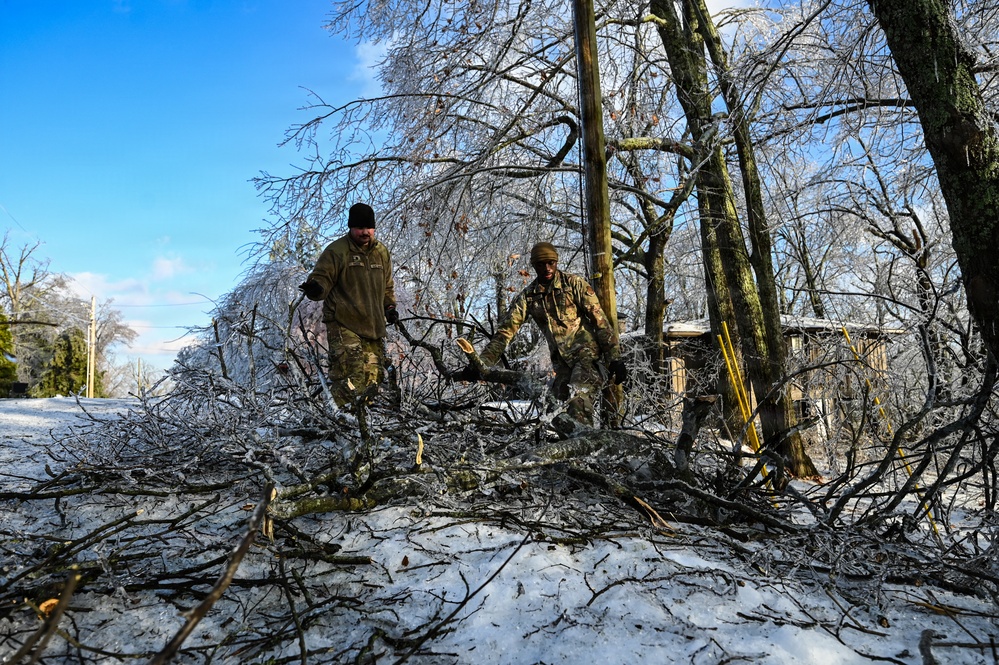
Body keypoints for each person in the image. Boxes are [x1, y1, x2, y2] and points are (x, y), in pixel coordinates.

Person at [454, 241, 626, 427]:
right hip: (563, 366)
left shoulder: (574, 284)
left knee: (577, 402)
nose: (547, 268)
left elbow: (600, 321)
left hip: (588, 359)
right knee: (556, 412)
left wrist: (614, 358)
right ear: (534, 266)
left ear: (556, 262)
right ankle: (571, 451)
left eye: (551, 262)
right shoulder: (528, 297)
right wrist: (480, 364)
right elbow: (505, 332)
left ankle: (585, 453)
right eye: (541, 264)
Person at [299, 203, 398, 406]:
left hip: (373, 326)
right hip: (344, 322)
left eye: (368, 228)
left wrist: (389, 307)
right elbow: (321, 278)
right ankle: (342, 424)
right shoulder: (337, 251)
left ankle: (364, 425)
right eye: (360, 228)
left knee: (373, 379)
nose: (365, 232)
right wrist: (316, 288)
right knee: (351, 376)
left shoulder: (381, 253)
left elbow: (387, 286)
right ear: (350, 227)